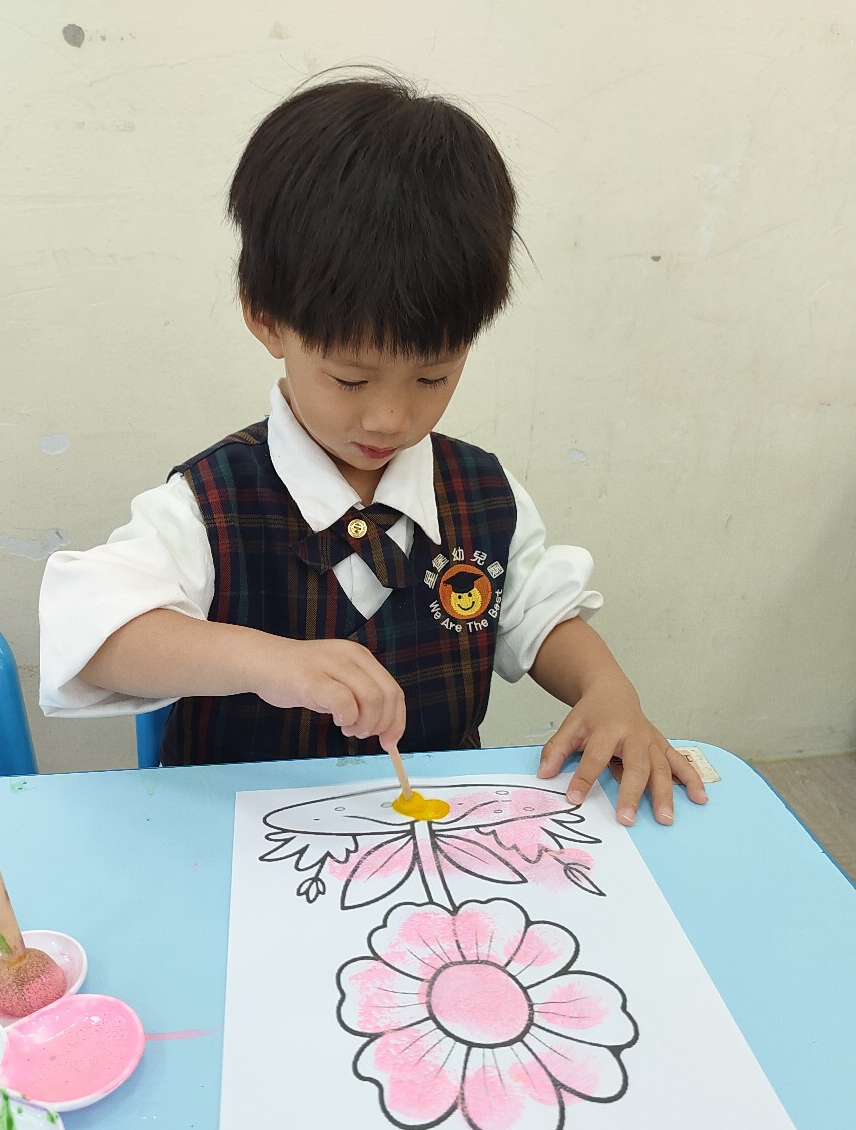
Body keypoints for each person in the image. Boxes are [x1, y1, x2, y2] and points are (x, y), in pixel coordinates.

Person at [39, 72, 707, 826]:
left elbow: (541, 613)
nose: (390, 418)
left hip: (429, 836)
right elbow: (92, 634)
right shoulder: (210, 504)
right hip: (240, 844)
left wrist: (607, 691)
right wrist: (268, 661)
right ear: (266, 319)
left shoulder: (482, 495)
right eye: (350, 379)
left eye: (433, 377)